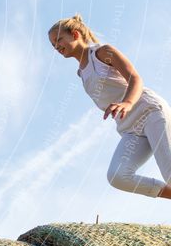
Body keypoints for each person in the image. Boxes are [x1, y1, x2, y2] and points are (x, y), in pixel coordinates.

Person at [48, 14, 171, 199]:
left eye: (59, 40)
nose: (56, 46)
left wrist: (127, 103)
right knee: (118, 176)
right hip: (130, 128)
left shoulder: (103, 53)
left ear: (74, 34)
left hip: (150, 111)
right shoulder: (81, 73)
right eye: (53, 45)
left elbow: (135, 78)